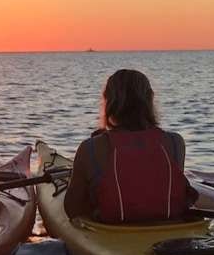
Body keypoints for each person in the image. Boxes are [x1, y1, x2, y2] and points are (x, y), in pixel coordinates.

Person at [63, 69, 196, 222]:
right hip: (170, 229)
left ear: (107, 101)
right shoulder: (175, 142)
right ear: (150, 99)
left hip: (111, 233)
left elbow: (72, 209)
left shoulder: (90, 147)